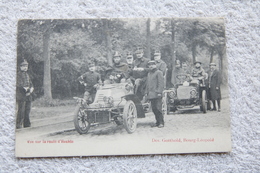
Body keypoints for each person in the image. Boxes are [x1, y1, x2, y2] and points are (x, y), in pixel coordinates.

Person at [145, 60, 164, 128]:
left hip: (157, 94)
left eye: (152, 64)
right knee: (154, 109)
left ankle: (161, 122)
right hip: (151, 94)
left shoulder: (159, 72)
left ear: (155, 65)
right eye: (149, 65)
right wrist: (147, 93)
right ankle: (157, 122)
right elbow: (148, 84)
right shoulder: (149, 74)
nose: (151, 66)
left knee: (158, 108)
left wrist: (159, 92)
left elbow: (161, 83)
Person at [16, 59, 34, 129]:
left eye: (26, 66)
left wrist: (31, 89)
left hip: (28, 95)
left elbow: (31, 84)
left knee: (27, 109)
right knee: (21, 110)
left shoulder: (27, 75)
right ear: (20, 67)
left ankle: (27, 124)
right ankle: (18, 124)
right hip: (21, 94)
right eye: (23, 66)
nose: (25, 67)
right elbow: (18, 85)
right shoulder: (18, 75)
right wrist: (25, 89)